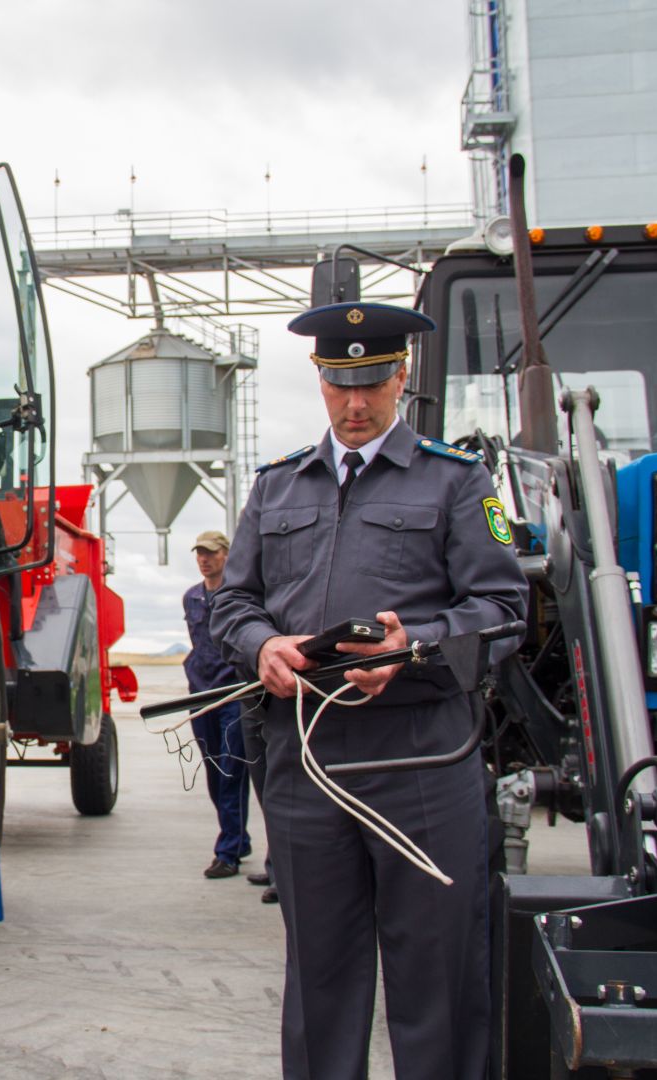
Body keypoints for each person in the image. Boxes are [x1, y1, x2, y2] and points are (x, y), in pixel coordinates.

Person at [211, 300, 527, 1080]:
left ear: (401, 378)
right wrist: (263, 645)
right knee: (319, 976)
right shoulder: (278, 487)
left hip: (420, 758)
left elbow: (503, 610)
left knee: (436, 973)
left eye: (373, 382)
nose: (355, 403)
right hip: (307, 762)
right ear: (320, 380)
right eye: (340, 383)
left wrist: (411, 648)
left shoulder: (457, 481)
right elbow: (234, 602)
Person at [181, 530, 252, 879]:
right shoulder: (192, 597)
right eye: (200, 553)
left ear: (226, 555)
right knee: (213, 771)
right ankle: (239, 839)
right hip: (201, 693)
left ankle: (228, 852)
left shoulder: (239, 596)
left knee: (231, 771)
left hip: (233, 694)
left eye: (210, 553)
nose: (204, 559)